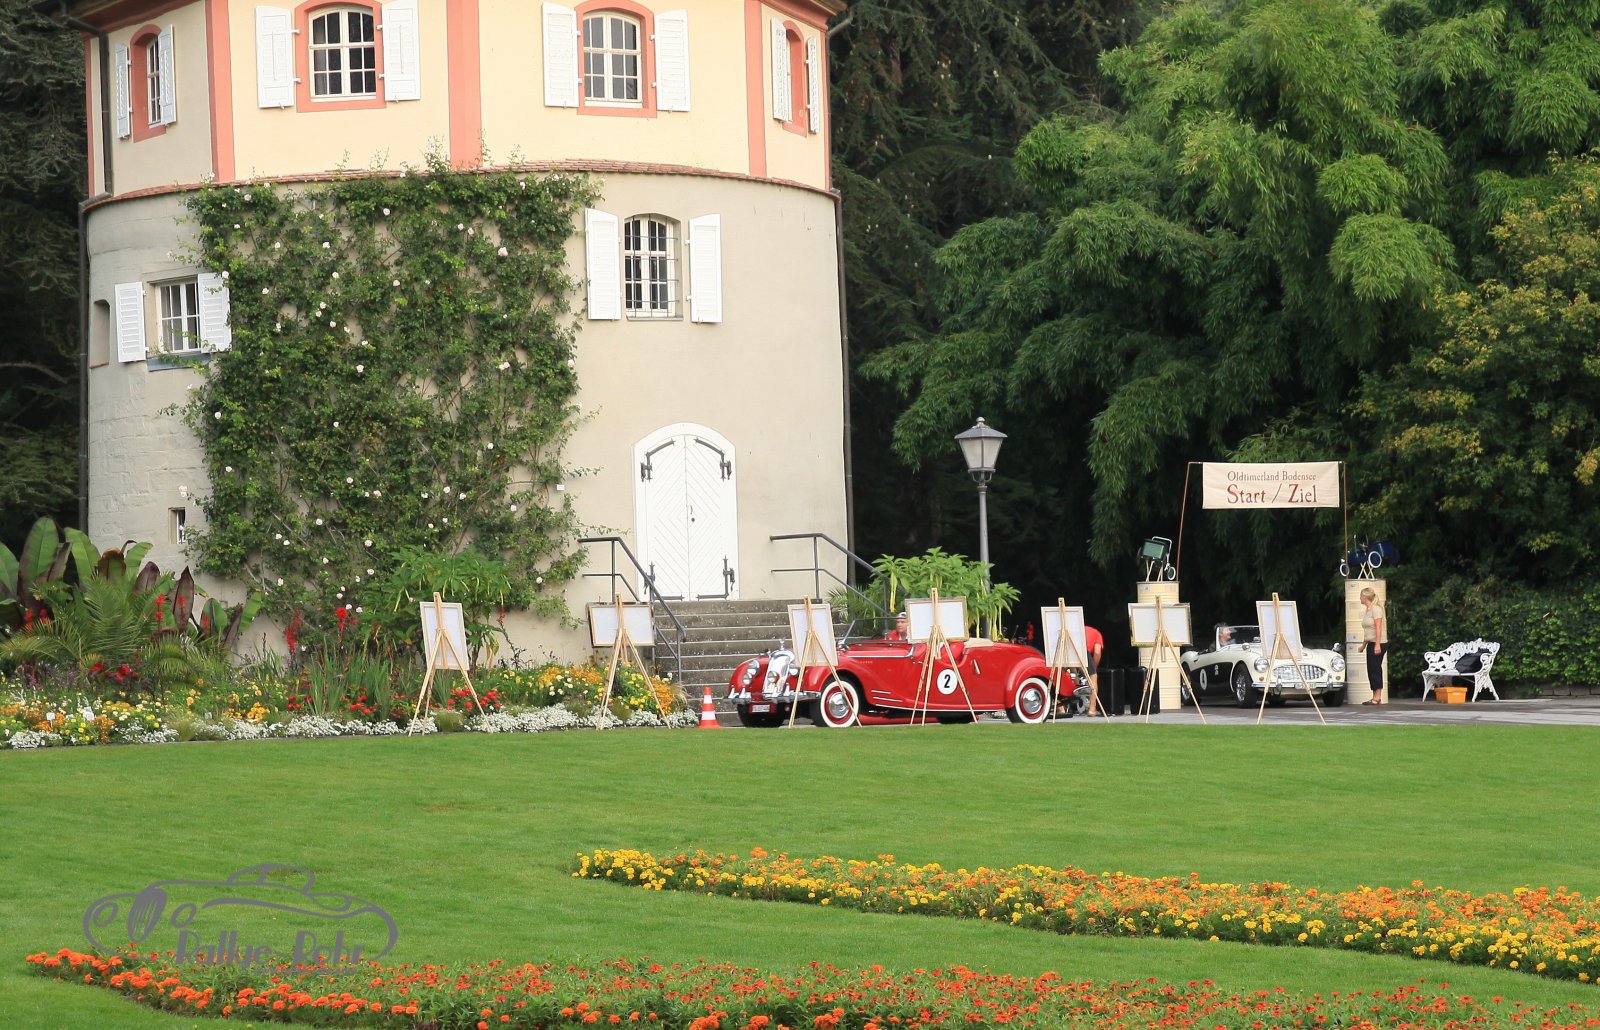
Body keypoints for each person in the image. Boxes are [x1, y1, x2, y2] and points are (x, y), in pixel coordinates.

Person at [1359, 587, 1387, 704]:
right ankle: (1374, 695)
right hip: (1371, 643)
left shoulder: (1376, 609)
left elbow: (1378, 627)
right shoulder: (1368, 610)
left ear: (1365, 597)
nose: (1360, 598)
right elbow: (1368, 632)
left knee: (1375, 669)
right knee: (1371, 669)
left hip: (1379, 643)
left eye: (1361, 596)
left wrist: (1377, 644)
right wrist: (1363, 645)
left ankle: (1377, 697)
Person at [1083, 624, 1105, 715]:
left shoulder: (1078, 629)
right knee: (1093, 677)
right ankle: (1092, 709)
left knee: (1063, 673)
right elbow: (1097, 652)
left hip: (1067, 649)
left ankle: (1060, 708)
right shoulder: (1097, 634)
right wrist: (1094, 668)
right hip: (1083, 650)